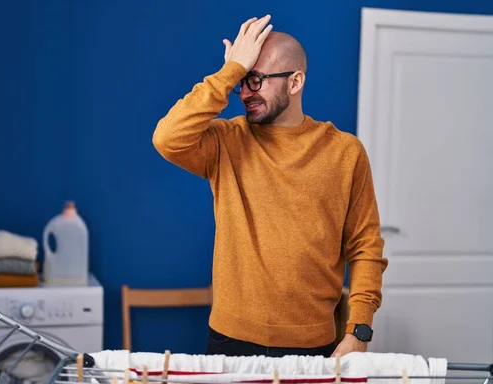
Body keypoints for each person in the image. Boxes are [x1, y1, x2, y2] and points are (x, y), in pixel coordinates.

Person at [152, 15, 388, 358]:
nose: (245, 93)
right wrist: (229, 70)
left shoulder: (345, 152)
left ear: (295, 83)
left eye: (257, 80)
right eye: (242, 81)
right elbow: (167, 138)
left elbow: (366, 246)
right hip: (230, 339)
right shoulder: (226, 141)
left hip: (313, 344)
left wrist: (359, 330)